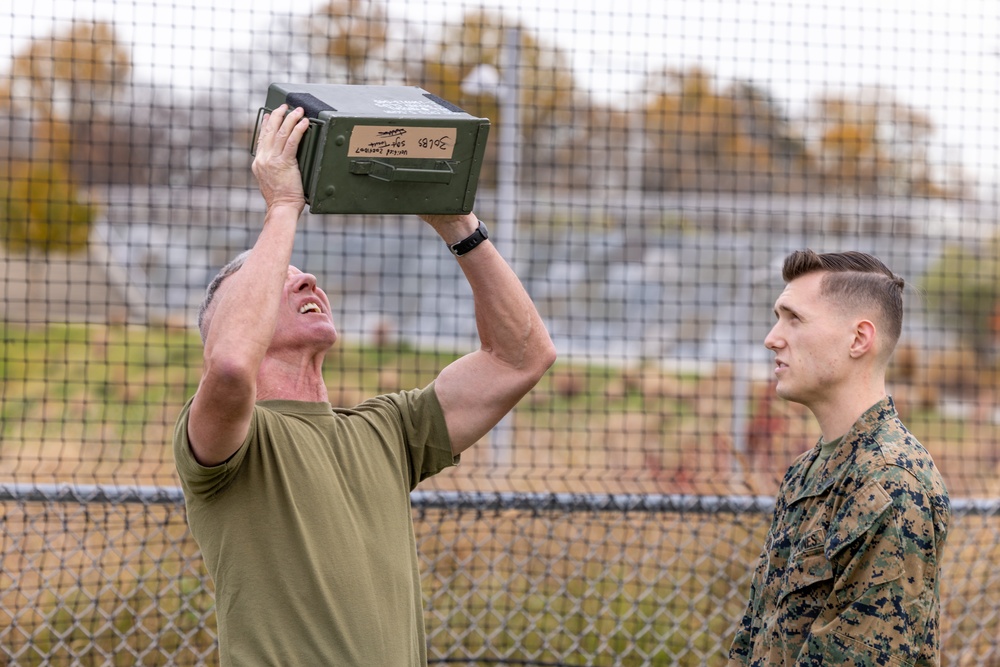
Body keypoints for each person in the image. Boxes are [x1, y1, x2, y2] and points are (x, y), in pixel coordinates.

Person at [172, 104, 557, 666]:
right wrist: (283, 206)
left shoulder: (388, 430)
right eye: (276, 278)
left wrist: (457, 222)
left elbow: (522, 357)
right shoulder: (228, 439)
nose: (306, 277)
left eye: (301, 272)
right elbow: (230, 365)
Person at [727, 250, 950, 666]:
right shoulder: (807, 470)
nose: (772, 337)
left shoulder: (892, 483)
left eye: (794, 319)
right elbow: (756, 634)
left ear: (859, 339)